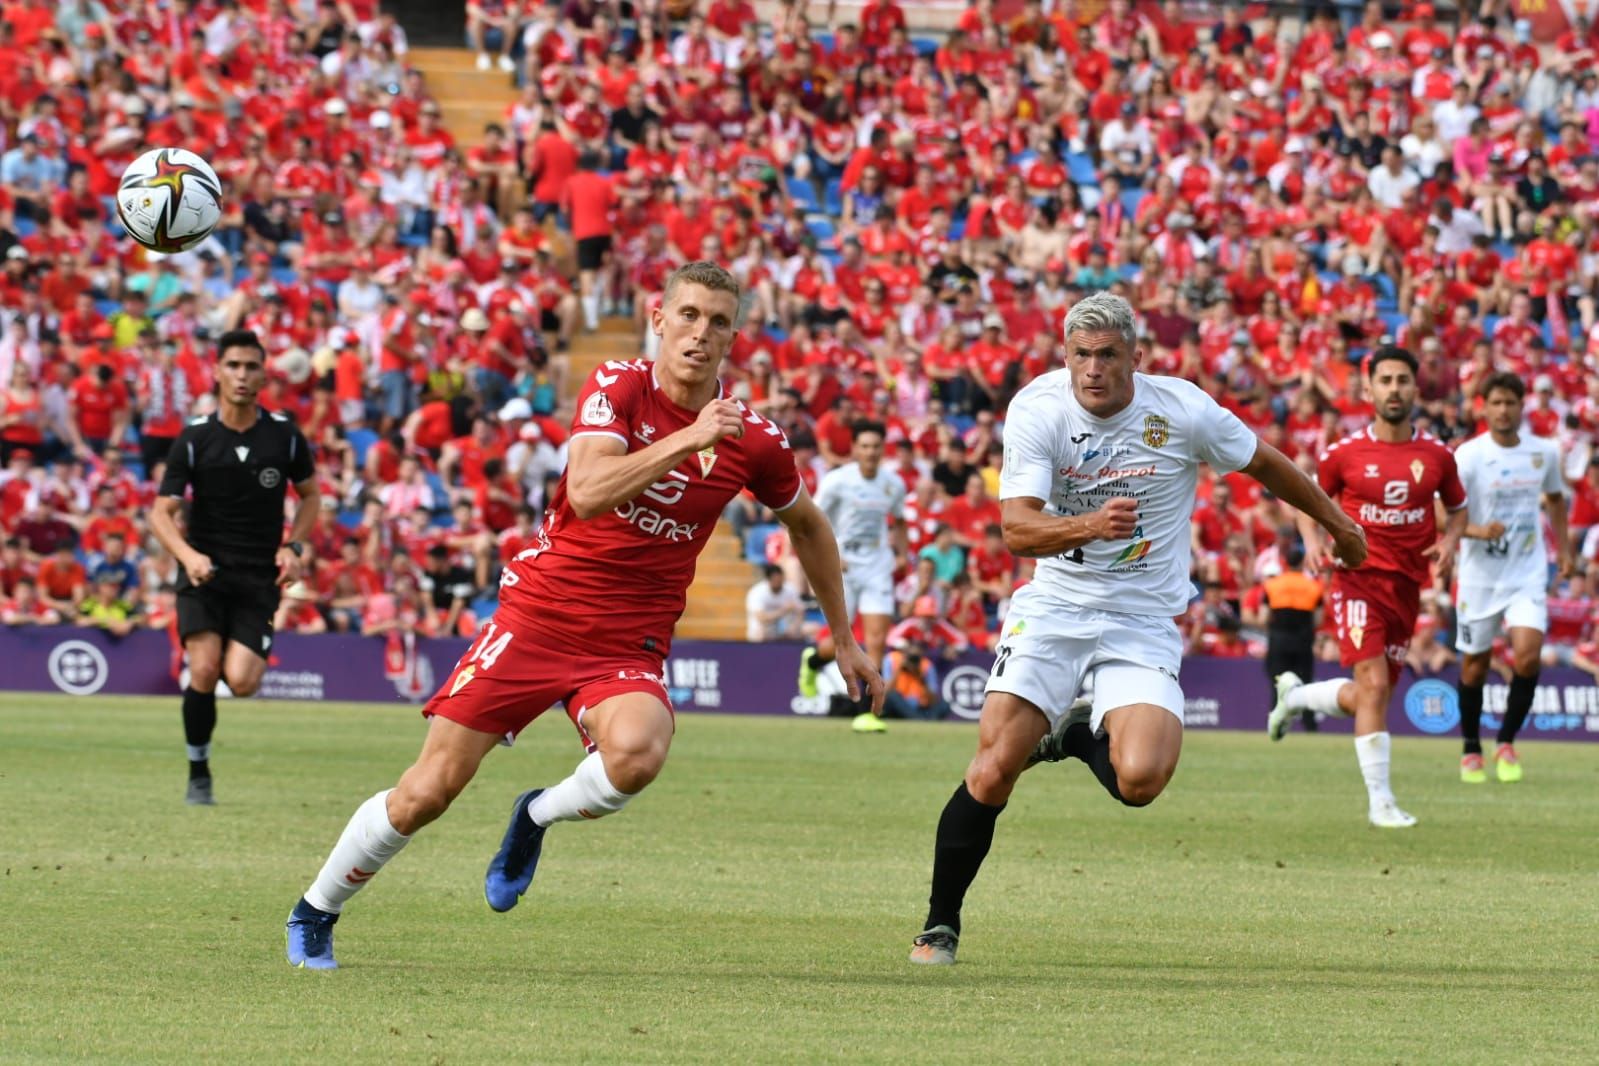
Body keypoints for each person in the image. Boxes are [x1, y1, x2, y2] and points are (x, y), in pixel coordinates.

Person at [284, 262, 883, 970]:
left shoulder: (751, 437)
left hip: (626, 639)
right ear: (658, 319)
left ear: (733, 336)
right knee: (427, 792)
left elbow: (809, 526)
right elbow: (591, 489)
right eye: (687, 315)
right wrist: (687, 441)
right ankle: (315, 910)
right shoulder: (618, 386)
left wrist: (842, 639)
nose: (699, 333)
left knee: (637, 756)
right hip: (538, 616)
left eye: (717, 321)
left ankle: (534, 814)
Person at [908, 292, 1366, 966]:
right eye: (1080, 356)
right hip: (1056, 607)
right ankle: (939, 924)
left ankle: (1074, 731)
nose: (1092, 370)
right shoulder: (1037, 409)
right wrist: (1089, 526)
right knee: (993, 767)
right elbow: (1015, 530)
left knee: (1142, 781)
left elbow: (1265, 461)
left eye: (1107, 356)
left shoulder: (1180, 410)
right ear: (1064, 356)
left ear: (1133, 358)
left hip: (1142, 617)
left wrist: (1338, 523)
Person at [1268, 346, 1467, 828]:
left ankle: (1294, 698)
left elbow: (1458, 509)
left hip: (1406, 588)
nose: (1394, 389)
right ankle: (1381, 804)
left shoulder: (1437, 456)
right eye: (1385, 380)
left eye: (1402, 380)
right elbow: (1305, 497)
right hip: (1356, 580)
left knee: (1367, 697)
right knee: (1374, 686)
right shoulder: (1345, 455)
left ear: (1415, 389)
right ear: (1369, 389)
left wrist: (1450, 541)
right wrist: (1314, 540)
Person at [148, 330, 319, 807]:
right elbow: (161, 512)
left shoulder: (284, 436)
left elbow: (311, 497)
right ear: (218, 372)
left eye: (251, 366)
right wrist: (188, 557)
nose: (242, 375)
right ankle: (198, 772)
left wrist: (296, 546)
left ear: (265, 374)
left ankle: (223, 680)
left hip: (258, 576)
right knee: (202, 669)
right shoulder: (196, 437)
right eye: (234, 366)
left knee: (242, 682)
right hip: (204, 573)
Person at [1450, 372, 1571, 784]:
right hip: (1479, 577)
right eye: (1496, 403)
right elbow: (1442, 516)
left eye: (1510, 403)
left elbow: (1555, 500)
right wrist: (1475, 531)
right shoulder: (1467, 455)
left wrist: (1566, 552)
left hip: (1527, 572)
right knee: (1474, 666)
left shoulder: (1544, 453)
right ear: (1483, 407)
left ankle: (1506, 742)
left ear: (1523, 407)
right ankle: (1470, 746)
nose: (1503, 410)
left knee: (1528, 655)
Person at [811, 419, 907, 733]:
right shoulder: (837, 481)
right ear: (854, 449)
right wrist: (831, 555)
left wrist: (902, 553)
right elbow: (812, 519)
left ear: (882, 449)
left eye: (876, 446)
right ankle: (813, 660)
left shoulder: (893, 483)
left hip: (877, 561)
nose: (870, 452)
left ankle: (867, 713)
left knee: (877, 637)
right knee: (841, 639)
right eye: (864, 446)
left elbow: (900, 520)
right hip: (842, 561)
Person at [1261, 544, 1323, 733]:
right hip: (1303, 640)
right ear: (1302, 563)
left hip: (1279, 639)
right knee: (1305, 681)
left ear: (1285, 562)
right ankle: (1309, 725)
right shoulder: (1314, 586)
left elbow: (1264, 617)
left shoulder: (1272, 585)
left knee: (1278, 682)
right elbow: (1318, 619)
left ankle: (1276, 722)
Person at [745, 562, 805, 641]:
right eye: (775, 580)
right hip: (763, 631)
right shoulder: (756, 592)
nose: (778, 582)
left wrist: (795, 626)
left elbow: (800, 610)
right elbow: (761, 618)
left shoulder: (791, 589)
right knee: (760, 633)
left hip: (784, 630)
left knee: (811, 629)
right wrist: (783, 610)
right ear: (768, 579)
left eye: (780, 579)